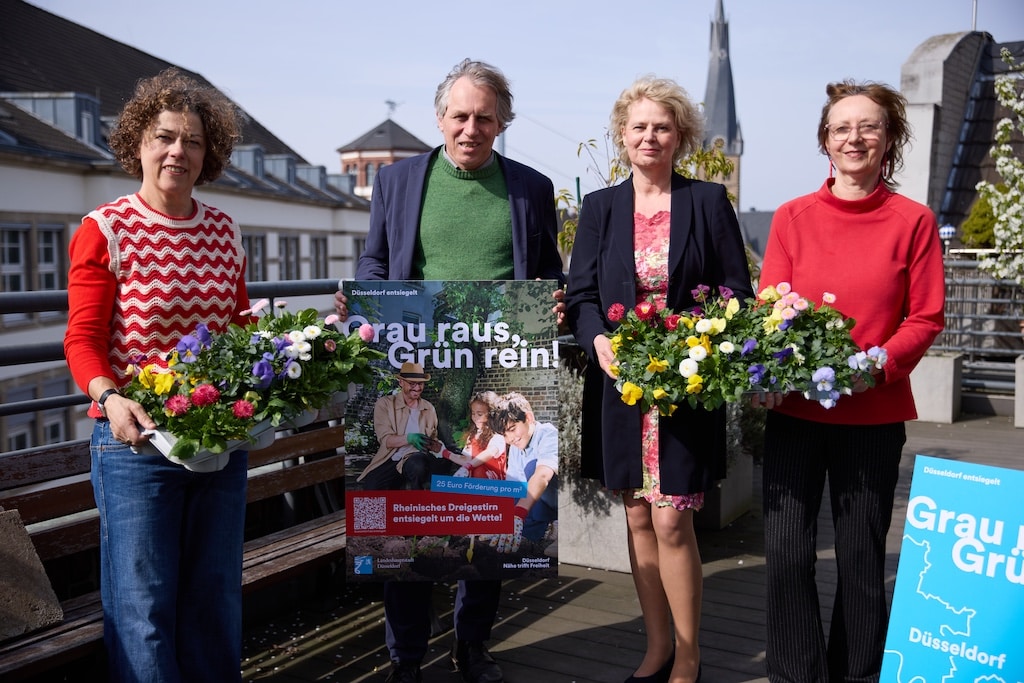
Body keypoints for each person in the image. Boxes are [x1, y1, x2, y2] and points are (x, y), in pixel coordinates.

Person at [333, 58, 563, 683]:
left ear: (501, 121)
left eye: (484, 117)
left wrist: (555, 301)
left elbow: (547, 276)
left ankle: (472, 648)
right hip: (418, 371)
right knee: (412, 517)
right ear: (440, 119)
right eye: (459, 116)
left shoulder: (531, 189)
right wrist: (364, 300)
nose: (470, 127)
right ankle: (406, 657)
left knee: (484, 507)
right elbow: (377, 261)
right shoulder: (400, 182)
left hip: (496, 374)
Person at [753, 80, 945, 682]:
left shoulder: (913, 221)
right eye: (841, 128)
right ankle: (796, 674)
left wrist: (875, 367)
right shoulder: (792, 217)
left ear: (889, 139)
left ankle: (857, 673)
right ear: (825, 141)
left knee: (862, 559)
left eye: (868, 127)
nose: (854, 138)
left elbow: (926, 316)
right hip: (795, 414)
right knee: (787, 557)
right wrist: (772, 368)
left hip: (873, 414)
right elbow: (770, 306)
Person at [565, 76, 752, 683]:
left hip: (687, 383)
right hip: (621, 386)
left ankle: (690, 651)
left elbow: (734, 291)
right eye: (639, 126)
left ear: (681, 136)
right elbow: (585, 293)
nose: (650, 136)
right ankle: (656, 646)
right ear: (623, 136)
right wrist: (596, 339)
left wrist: (698, 344)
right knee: (638, 516)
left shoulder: (707, 201)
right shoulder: (599, 207)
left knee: (673, 518)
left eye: (662, 126)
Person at [63, 68, 248, 682]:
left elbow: (240, 328)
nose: (178, 151)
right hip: (136, 442)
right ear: (137, 143)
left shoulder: (224, 231)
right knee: (142, 606)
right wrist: (110, 398)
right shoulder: (106, 230)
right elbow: (82, 340)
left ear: (208, 152)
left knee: (214, 597)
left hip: (218, 436)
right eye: (165, 137)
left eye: (192, 140)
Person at [359, 362, 448, 490]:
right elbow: (386, 440)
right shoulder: (385, 404)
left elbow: (433, 437)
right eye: (412, 384)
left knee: (418, 466)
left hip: (416, 457)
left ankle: (416, 504)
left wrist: (437, 446)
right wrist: (409, 438)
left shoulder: (429, 408)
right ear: (401, 382)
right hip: (389, 457)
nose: (417, 388)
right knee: (372, 486)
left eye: (420, 384)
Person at [488, 392, 557, 547]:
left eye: (512, 429)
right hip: (536, 506)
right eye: (504, 435)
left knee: (533, 468)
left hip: (559, 501)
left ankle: (559, 526)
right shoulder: (516, 448)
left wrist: (517, 515)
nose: (510, 439)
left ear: (529, 418)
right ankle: (531, 536)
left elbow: (543, 476)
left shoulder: (548, 433)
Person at [434, 391, 507, 480]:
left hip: (494, 486)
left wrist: (469, 466)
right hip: (474, 485)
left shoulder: (498, 437)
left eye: (480, 414)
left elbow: (489, 452)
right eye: (473, 413)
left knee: (478, 469)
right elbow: (466, 459)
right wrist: (444, 452)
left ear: (492, 415)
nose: (475, 417)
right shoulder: (473, 436)